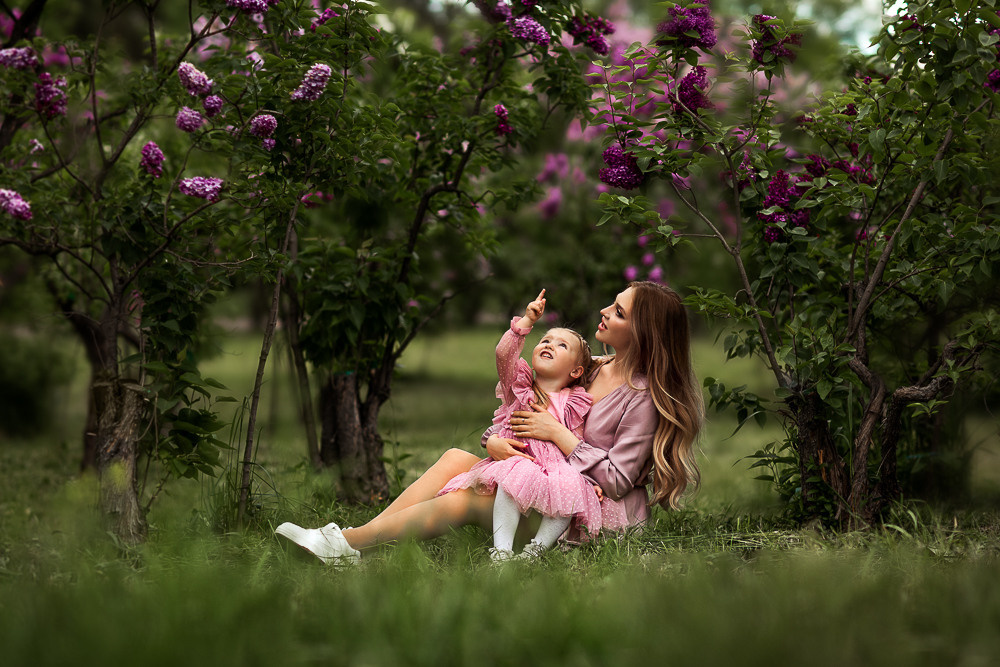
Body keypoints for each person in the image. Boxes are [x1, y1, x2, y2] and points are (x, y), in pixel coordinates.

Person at [274, 281, 703, 564]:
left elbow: (616, 478)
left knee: (469, 501)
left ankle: (347, 547)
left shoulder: (644, 398)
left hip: (591, 512)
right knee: (455, 459)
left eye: (621, 312)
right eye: (614, 303)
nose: (606, 311)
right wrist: (494, 442)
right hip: (545, 479)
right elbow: (529, 407)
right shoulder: (591, 368)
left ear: (644, 334)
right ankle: (352, 541)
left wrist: (561, 436)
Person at [434, 289, 627, 561]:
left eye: (562, 346)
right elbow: (503, 354)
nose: (549, 344)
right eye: (546, 340)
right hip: (520, 460)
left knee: (571, 494)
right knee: (512, 484)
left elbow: (577, 441)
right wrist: (526, 321)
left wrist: (589, 480)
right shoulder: (520, 386)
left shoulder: (574, 402)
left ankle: (535, 550)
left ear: (576, 371)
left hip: (555, 471)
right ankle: (501, 550)